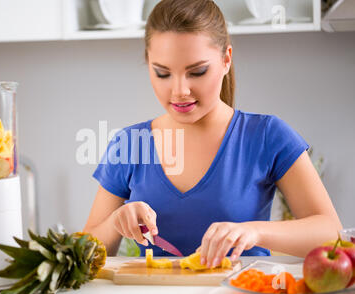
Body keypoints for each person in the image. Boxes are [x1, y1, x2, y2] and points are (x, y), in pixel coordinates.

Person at [83, 0, 342, 268]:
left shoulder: (267, 135)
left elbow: (331, 233)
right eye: (163, 73)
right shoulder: (129, 144)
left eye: (197, 72)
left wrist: (255, 232)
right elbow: (84, 252)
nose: (180, 90)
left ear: (226, 59)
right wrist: (116, 222)